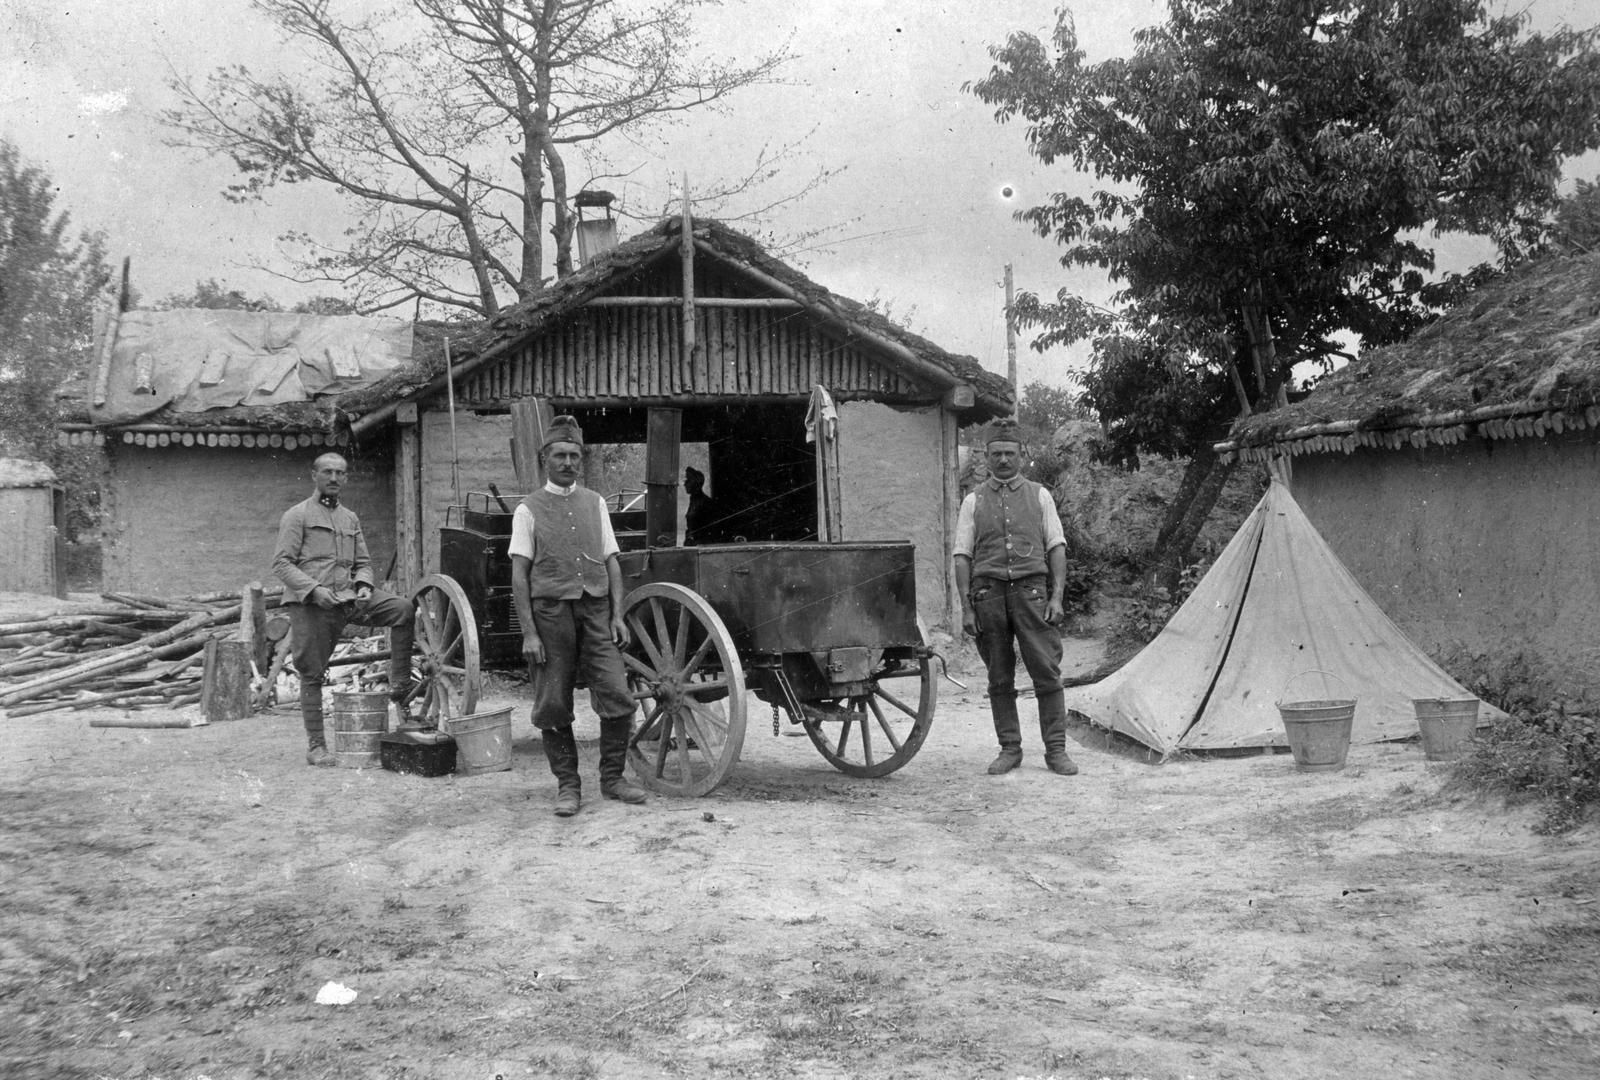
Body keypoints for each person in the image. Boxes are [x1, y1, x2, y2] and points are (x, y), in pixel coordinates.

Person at [509, 415, 648, 817]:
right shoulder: (527, 509)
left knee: (618, 695)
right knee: (553, 701)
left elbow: (612, 561)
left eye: (574, 456)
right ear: (544, 460)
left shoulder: (595, 503)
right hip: (550, 613)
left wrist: (617, 615)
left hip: (596, 610)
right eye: (559, 456)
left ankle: (613, 780)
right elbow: (519, 575)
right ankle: (568, 786)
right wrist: (529, 633)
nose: (568, 463)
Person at [273, 452, 416, 767]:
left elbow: (363, 563)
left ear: (346, 478)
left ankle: (400, 684)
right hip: (312, 605)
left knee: (402, 609)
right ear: (314, 475)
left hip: (349, 600)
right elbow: (281, 564)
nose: (334, 478)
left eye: (340, 473)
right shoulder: (297, 516)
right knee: (311, 671)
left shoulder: (349, 518)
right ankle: (317, 747)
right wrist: (313, 590)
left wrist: (364, 585)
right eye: (327, 472)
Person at [953, 419, 1078, 776]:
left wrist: (1057, 597)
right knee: (999, 676)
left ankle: (1056, 751)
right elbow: (961, 555)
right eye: (997, 454)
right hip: (988, 594)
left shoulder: (1040, 495)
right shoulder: (973, 500)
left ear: (1022, 455)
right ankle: (1009, 749)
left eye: (1010, 453)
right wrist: (966, 607)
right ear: (987, 457)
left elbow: (1056, 547)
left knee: (1046, 670)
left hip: (1031, 592)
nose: (1003, 460)